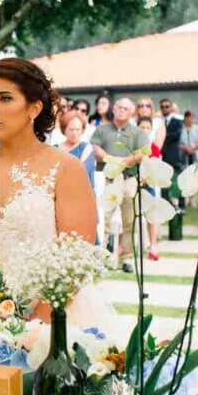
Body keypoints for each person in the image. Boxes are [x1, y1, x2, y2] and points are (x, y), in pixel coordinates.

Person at [0, 57, 115, 333]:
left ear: (34, 107)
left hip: (51, 322)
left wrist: (28, 331)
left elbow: (74, 261)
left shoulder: (66, 169)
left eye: (4, 98)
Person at [90, 97, 149, 273]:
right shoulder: (101, 130)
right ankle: (102, 257)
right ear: (113, 109)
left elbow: (141, 154)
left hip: (129, 179)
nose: (122, 110)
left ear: (132, 112)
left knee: (129, 220)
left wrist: (122, 162)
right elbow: (96, 151)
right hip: (107, 179)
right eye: (119, 107)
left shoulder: (138, 132)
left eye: (126, 108)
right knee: (105, 219)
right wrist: (111, 160)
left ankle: (127, 258)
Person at [137, 115, 162, 260]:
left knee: (151, 217)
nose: (145, 130)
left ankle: (153, 246)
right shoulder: (132, 146)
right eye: (142, 127)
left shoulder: (154, 148)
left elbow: (155, 168)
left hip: (149, 186)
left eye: (148, 127)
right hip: (133, 185)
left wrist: (144, 180)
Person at [60, 109, 95, 191]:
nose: (74, 133)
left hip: (83, 193)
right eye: (71, 130)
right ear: (64, 130)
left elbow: (82, 172)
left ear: (82, 130)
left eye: (78, 129)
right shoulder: (55, 148)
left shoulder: (87, 148)